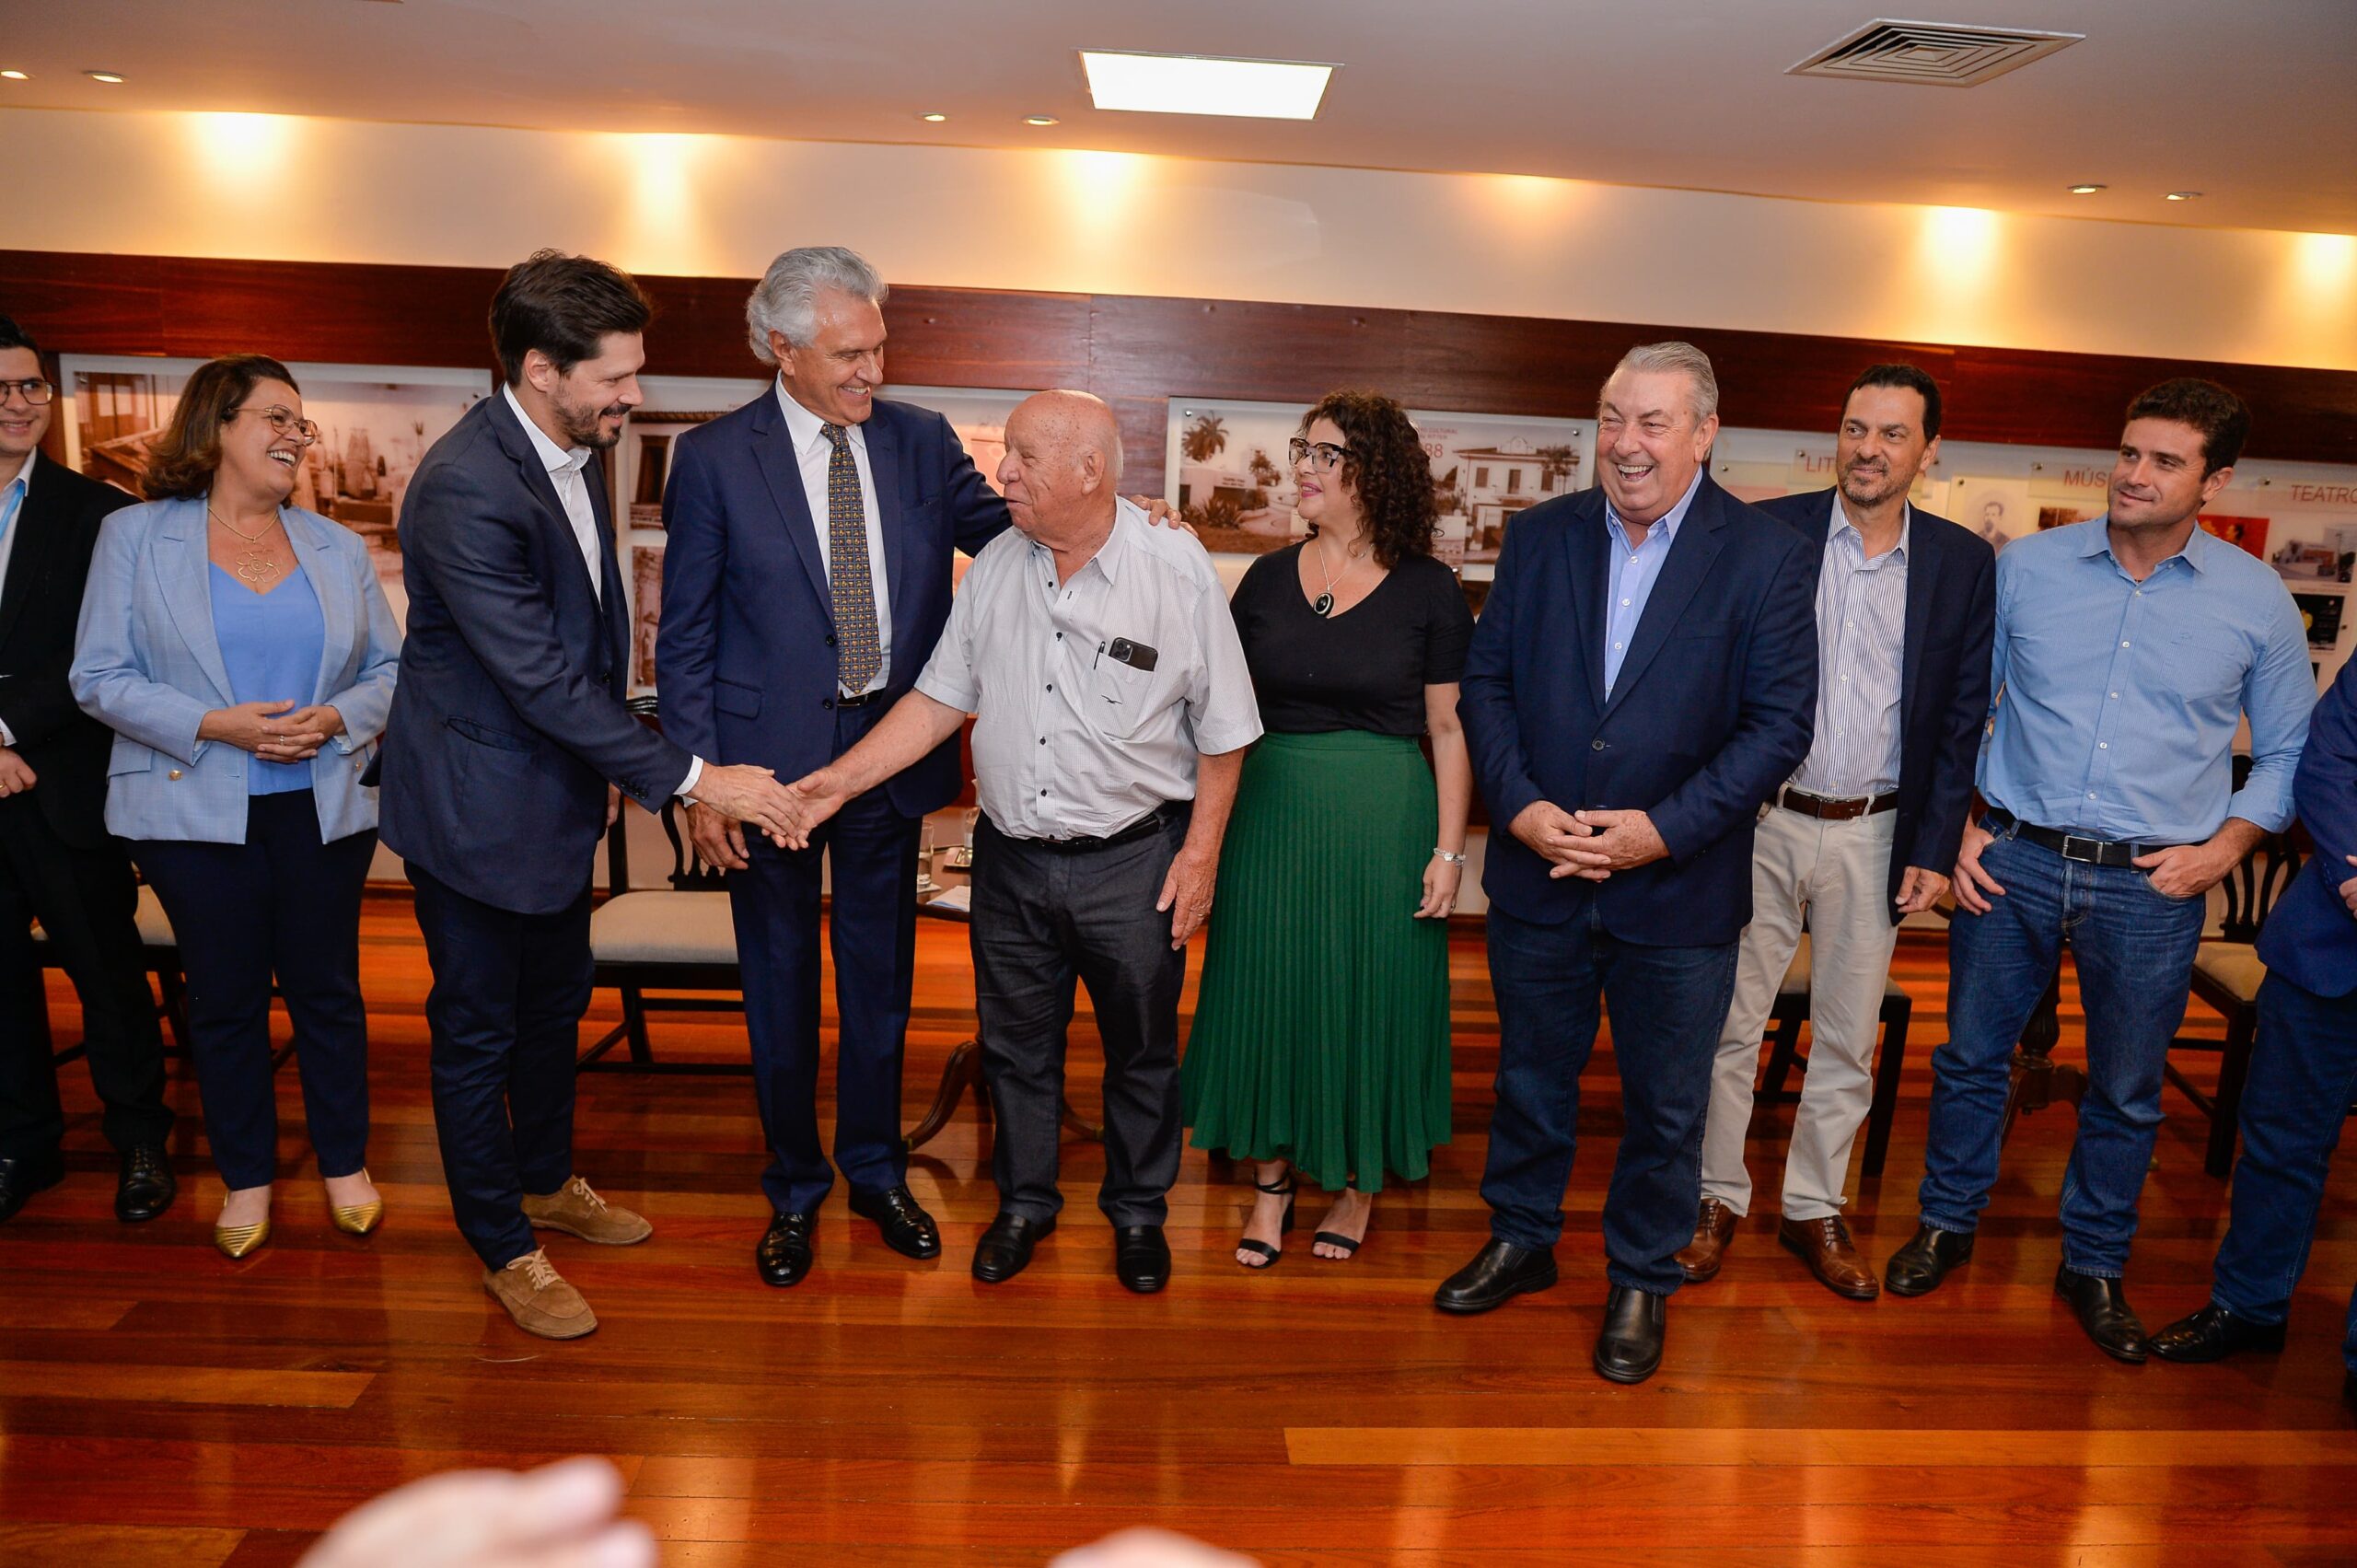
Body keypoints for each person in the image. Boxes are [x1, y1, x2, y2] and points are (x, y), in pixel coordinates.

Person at [377, 251, 800, 1338]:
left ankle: (544, 1179)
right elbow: (536, 674)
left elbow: (585, 643)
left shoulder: (575, 445)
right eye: (615, 375)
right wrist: (694, 776)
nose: (633, 394)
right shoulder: (467, 485)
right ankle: (503, 1244)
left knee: (554, 1005)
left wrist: (605, 774)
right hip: (473, 808)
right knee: (478, 1031)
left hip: (552, 797)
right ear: (540, 368)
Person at [783, 389, 1261, 1294]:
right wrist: (835, 782)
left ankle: (1138, 1211)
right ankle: (1025, 1205)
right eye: (1005, 452)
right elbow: (938, 699)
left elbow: (1226, 730)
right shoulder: (999, 563)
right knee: (1015, 1050)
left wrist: (1198, 858)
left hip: (1134, 862)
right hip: (1010, 861)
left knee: (1141, 1052)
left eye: (1023, 457)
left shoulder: (1175, 568)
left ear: (1090, 470)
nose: (1000, 471)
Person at [1888, 378, 2314, 1363]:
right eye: (2129, 452)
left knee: (2126, 1088)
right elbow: (1960, 707)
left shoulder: (2256, 599)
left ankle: (2092, 1262)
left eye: (2165, 460)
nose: (2134, 474)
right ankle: (1946, 1222)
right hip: (2013, 860)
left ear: (2214, 480)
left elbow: (2287, 751)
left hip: (2150, 885)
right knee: (1970, 1060)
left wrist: (2224, 848)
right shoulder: (2027, 568)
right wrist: (1959, 828)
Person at [1442, 341, 1818, 1384]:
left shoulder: (1768, 556)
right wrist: (1520, 810)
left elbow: (1778, 726)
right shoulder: (1540, 536)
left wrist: (1662, 829)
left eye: (1653, 422)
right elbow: (1486, 686)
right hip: (1541, 872)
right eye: (1612, 418)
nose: (1626, 442)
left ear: (1704, 434)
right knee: (1530, 1078)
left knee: (1666, 1103)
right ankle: (1521, 1236)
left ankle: (1642, 1275)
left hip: (1680, 885)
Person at [657, 247, 1008, 1286]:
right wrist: (699, 780)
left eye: (879, 348)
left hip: (886, 760)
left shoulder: (920, 440)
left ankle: (875, 1169)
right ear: (784, 348)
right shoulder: (714, 458)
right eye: (850, 354)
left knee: (879, 986)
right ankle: (794, 1185)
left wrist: (1119, 521)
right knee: (779, 988)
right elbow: (685, 635)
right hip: (763, 771)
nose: (873, 371)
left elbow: (1012, 535)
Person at [71, 354, 401, 1258]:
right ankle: (245, 1175)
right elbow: (97, 676)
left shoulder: (335, 545)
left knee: (328, 994)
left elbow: (391, 668)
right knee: (223, 1001)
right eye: (275, 417)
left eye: (302, 423)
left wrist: (334, 717)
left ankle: (346, 1164)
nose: (296, 436)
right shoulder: (135, 536)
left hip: (322, 806)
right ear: (216, 425)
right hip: (190, 814)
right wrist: (216, 723)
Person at [1678, 366, 1994, 1298]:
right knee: (1728, 1026)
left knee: (1848, 1039)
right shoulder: (1764, 531)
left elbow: (1960, 716)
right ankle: (1713, 1197)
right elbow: (1709, 680)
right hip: (1759, 822)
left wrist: (1935, 845)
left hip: (1876, 832)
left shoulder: (1959, 562)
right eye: (1856, 427)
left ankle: (1814, 1206)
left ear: (1929, 451)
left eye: (1893, 434)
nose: (1868, 449)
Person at [1182, 389, 1472, 1267]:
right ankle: (1270, 1185)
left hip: (1384, 823)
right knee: (1269, 990)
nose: (1304, 467)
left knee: (1368, 995)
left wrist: (1449, 852)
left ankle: (1356, 1181)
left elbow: (1449, 728)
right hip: (1269, 819)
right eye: (1302, 450)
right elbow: (1222, 713)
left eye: (1325, 454)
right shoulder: (1267, 579)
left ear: (1373, 471)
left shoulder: (1429, 589)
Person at [0, 314, 177, 1227]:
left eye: (31, 385)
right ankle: (21, 1146)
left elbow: (102, 654)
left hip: (64, 786)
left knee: (107, 976)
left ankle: (140, 1139)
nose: (20, 403)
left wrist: (5, 732)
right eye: (1, 389)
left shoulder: (97, 514)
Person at [2151, 656, 2357, 1390]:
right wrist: (2353, 873)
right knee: (2279, 1141)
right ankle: (2248, 1306)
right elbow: (2327, 761)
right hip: (2330, 943)